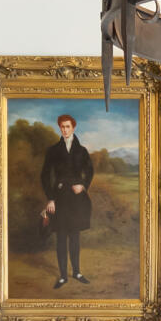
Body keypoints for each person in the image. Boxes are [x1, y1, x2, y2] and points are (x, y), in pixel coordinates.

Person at [40, 112, 93, 287]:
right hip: (60, 199)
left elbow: (90, 171)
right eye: (62, 126)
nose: (65, 129)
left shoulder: (82, 150)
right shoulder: (53, 150)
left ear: (74, 127)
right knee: (61, 238)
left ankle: (77, 272)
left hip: (77, 199)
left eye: (68, 126)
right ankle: (63, 275)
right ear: (60, 128)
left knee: (75, 237)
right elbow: (45, 175)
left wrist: (83, 185)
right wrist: (50, 199)